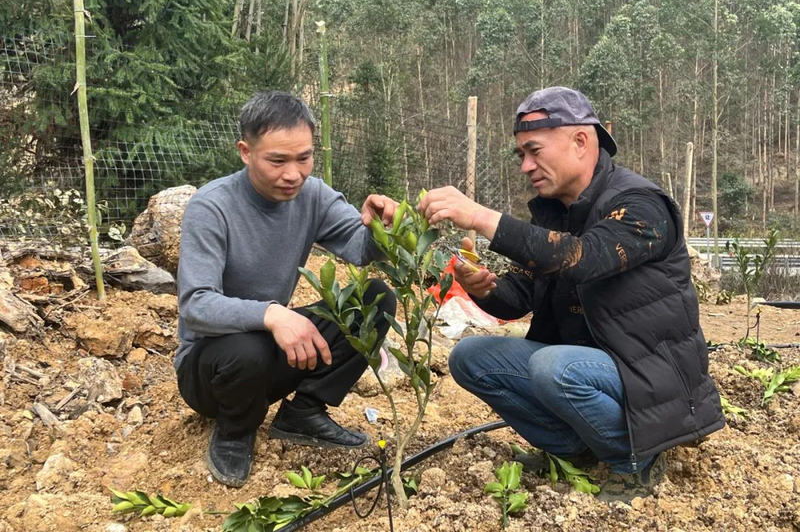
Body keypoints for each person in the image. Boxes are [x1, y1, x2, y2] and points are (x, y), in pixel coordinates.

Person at [418, 86, 724, 503]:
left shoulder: (639, 204)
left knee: (553, 366)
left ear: (581, 141)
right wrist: (486, 290)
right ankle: (574, 449)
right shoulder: (554, 209)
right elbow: (520, 297)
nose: (526, 166)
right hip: (582, 365)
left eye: (534, 150)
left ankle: (636, 458)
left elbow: (583, 258)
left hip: (649, 374)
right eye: (521, 155)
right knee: (470, 358)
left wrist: (481, 217)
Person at [175, 90, 398, 488]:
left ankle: (305, 412)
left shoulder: (312, 196)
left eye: (304, 158)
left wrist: (382, 227)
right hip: (211, 372)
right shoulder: (212, 207)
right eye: (277, 160)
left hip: (270, 353)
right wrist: (273, 313)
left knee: (375, 299)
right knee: (249, 346)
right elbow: (196, 305)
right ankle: (234, 429)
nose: (293, 173)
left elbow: (361, 250)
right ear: (245, 151)